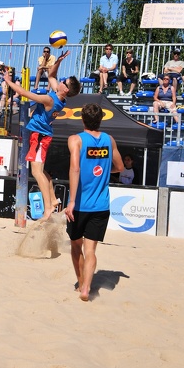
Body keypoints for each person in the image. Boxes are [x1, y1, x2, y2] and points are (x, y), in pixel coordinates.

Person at [3, 52, 81, 220]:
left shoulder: (50, 100)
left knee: (36, 172)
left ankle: (48, 208)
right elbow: (51, 74)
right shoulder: (58, 96)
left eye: (64, 82)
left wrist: (8, 82)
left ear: (65, 89)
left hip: (39, 137)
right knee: (42, 171)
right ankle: (52, 200)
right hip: (41, 135)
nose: (60, 81)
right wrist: (58, 61)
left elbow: (25, 94)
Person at [65, 103, 124, 302]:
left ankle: (81, 283)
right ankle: (87, 288)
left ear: (82, 119)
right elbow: (120, 167)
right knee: (90, 250)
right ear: (101, 120)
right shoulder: (109, 139)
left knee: (76, 247)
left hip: (80, 204)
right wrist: (106, 170)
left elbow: (75, 169)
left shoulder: (75, 140)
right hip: (101, 205)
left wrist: (72, 201)